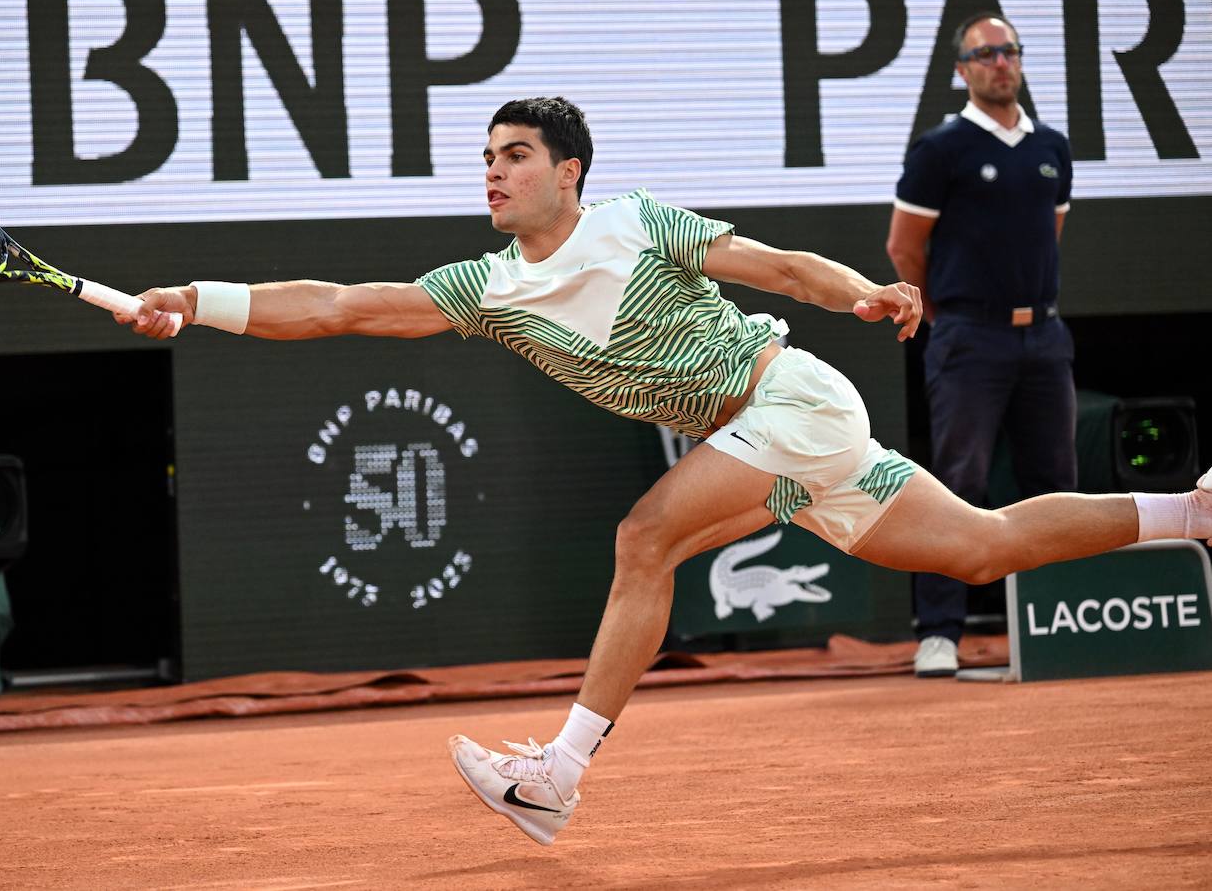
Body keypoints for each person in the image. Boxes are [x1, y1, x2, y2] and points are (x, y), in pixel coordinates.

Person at [121, 96, 1212, 847]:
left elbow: (774, 266)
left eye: (513, 156)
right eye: (487, 158)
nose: (493, 173)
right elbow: (341, 305)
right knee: (988, 542)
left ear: (568, 172)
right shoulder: (488, 285)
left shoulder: (637, 222)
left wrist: (861, 293)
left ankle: (557, 775)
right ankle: (1195, 512)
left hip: (794, 400)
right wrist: (198, 299)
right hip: (784, 446)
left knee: (644, 538)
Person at [887, 12, 1077, 678]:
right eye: (985, 54)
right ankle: (939, 631)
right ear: (962, 71)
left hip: (1045, 339)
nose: (1000, 63)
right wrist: (954, 322)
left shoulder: (1052, 146)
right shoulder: (942, 150)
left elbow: (1047, 236)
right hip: (970, 339)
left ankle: (1064, 618)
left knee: (1055, 483)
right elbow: (903, 250)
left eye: (1009, 52)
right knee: (956, 484)